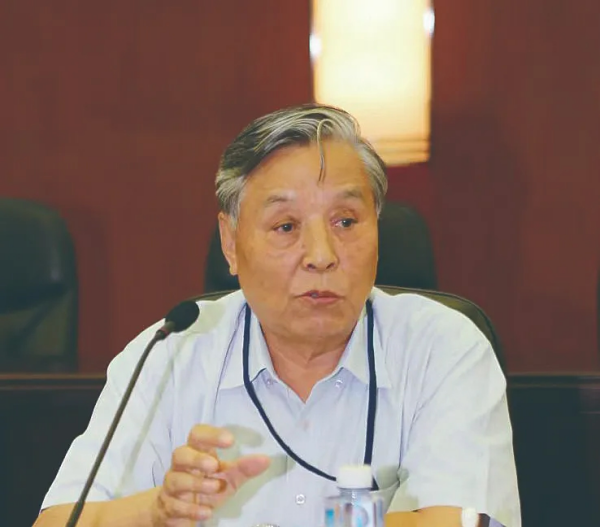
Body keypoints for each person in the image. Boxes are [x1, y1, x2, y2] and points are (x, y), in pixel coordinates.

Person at [34, 104, 520, 527]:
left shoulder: (444, 348)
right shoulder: (169, 357)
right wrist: (155, 511)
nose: (321, 255)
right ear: (231, 244)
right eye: (286, 226)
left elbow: (463, 519)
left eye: (346, 221)